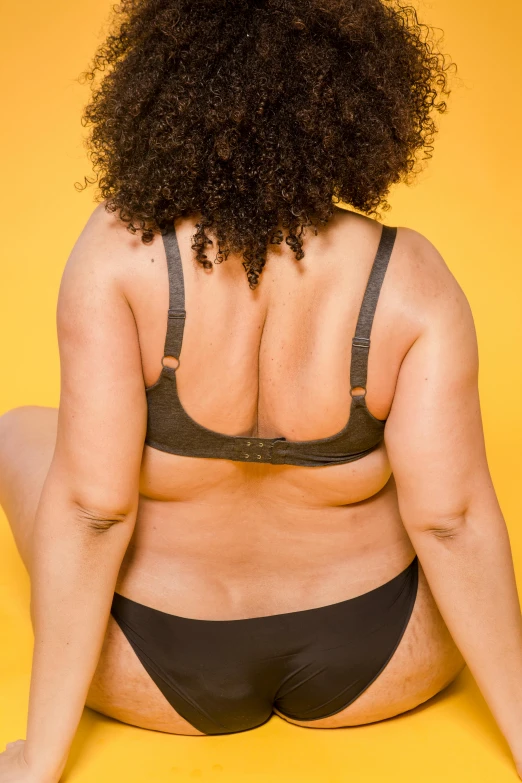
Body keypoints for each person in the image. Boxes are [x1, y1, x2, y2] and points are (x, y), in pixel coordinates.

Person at [1, 1, 521, 781]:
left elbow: (93, 508)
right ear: (355, 103)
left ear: (169, 93)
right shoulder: (410, 278)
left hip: (150, 666)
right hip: (379, 661)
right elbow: (451, 518)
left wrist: (40, 758)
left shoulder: (119, 257)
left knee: (17, 431)